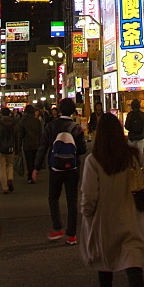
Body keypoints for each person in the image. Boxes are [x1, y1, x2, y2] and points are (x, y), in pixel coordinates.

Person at [80, 112, 144, 287]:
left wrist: (87, 216)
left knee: (105, 262)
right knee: (134, 269)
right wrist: (142, 202)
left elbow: (88, 197)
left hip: (105, 222)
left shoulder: (94, 160)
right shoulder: (133, 155)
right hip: (131, 219)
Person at [33, 97, 86, 244]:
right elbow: (82, 150)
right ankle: (71, 235)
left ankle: (57, 228)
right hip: (73, 168)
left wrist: (36, 167)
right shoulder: (76, 128)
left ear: (60, 110)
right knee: (72, 200)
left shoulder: (51, 126)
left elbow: (43, 146)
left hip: (55, 168)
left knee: (53, 198)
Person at [0, 106, 19, 193]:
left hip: (0, 149)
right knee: (10, 165)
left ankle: (5, 187)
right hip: (11, 148)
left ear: (1, 114)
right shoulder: (14, 124)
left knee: (2, 167)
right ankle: (10, 178)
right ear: (10, 114)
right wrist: (17, 151)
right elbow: (17, 138)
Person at [19, 103, 43, 183]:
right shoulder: (37, 121)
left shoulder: (23, 121)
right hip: (36, 143)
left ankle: (30, 176)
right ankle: (34, 174)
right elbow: (40, 133)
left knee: (29, 161)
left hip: (27, 144)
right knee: (35, 160)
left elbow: (21, 134)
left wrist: (18, 145)